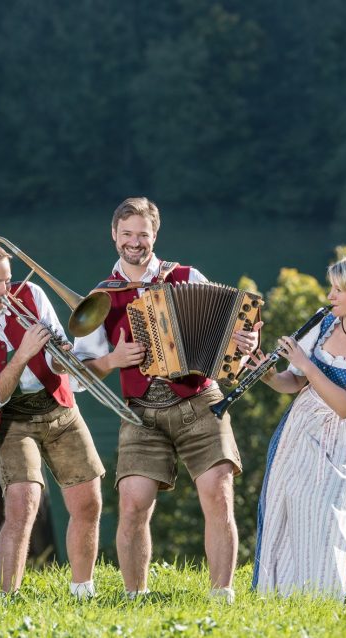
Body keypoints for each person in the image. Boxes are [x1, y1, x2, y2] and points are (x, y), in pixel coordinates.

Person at [73, 197, 261, 603]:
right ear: (114, 235)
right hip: (141, 412)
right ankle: (134, 598)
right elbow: (76, 378)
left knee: (218, 490)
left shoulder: (186, 276)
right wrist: (112, 359)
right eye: (127, 234)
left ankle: (221, 595)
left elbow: (236, 325)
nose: (134, 242)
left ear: (154, 235)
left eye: (142, 234)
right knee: (132, 502)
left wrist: (245, 342)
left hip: (200, 401)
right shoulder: (101, 297)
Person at [0, 241, 105, 599]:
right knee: (22, 503)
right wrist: (22, 354)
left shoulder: (30, 293)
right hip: (11, 417)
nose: (5, 290)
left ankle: (83, 589)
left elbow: (56, 354)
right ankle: (8, 597)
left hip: (57, 406)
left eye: (7, 279)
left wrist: (61, 355)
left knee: (88, 500)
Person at [250, 253, 346, 600]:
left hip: (342, 437)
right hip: (300, 426)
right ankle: (282, 593)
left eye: (338, 290)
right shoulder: (325, 324)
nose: (330, 296)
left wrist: (304, 363)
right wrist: (268, 375)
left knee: (331, 515)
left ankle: (331, 595)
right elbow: (294, 383)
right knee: (285, 505)